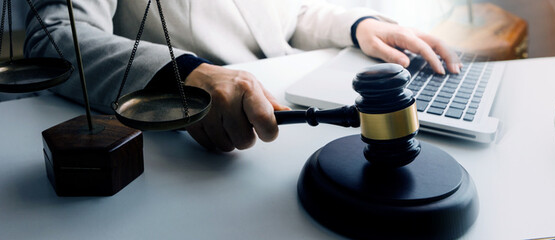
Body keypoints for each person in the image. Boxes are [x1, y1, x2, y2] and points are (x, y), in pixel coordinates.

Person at [25, 0, 460, 152]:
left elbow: (289, 15)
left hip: (299, 104)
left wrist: (358, 26)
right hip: (211, 140)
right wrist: (183, 74)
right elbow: (55, 38)